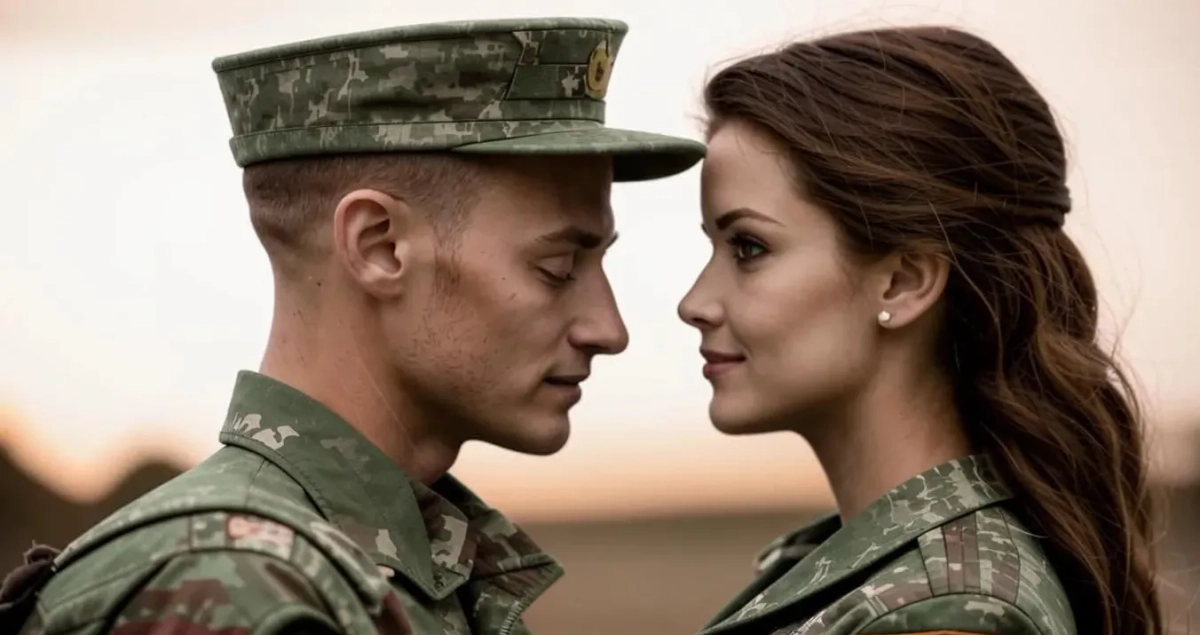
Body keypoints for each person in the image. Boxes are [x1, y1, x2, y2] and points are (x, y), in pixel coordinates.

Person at [4, 16, 705, 635]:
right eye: (557, 267)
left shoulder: (381, 570)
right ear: (380, 246)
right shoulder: (233, 590)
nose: (609, 329)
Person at [678, 25, 1160, 635]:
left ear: (903, 283)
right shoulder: (889, 578)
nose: (694, 303)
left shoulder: (936, 615)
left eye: (749, 247)